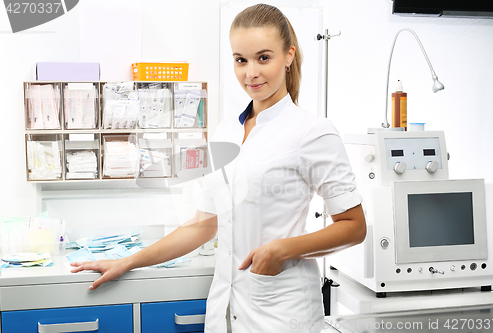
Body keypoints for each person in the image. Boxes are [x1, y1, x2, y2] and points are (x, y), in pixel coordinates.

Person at [70, 4, 366, 333]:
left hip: (284, 315)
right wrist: (126, 262)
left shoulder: (313, 132)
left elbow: (353, 226)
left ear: (289, 56)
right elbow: (201, 226)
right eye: (241, 60)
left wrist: (283, 249)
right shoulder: (225, 132)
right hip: (225, 311)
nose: (250, 73)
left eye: (263, 58)